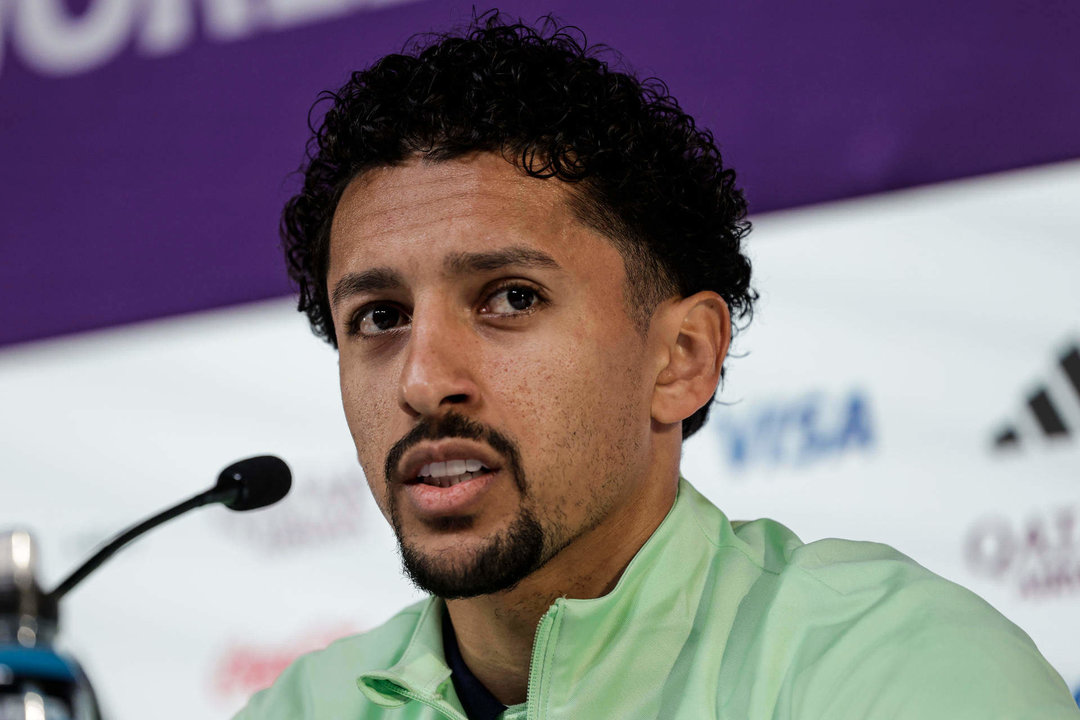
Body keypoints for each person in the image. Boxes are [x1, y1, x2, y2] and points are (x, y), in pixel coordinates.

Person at [235, 12, 1078, 720]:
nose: (423, 381)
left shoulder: (896, 673)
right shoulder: (300, 709)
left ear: (681, 358)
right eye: (379, 318)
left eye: (511, 298)